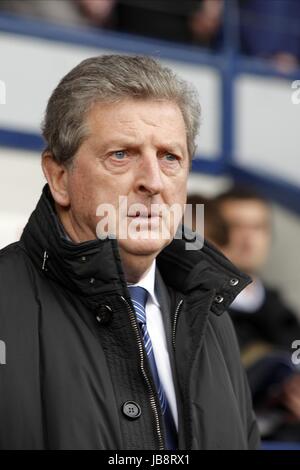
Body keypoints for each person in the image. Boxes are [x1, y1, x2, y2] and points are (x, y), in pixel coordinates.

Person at [0, 55, 259, 450]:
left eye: (170, 157)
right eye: (121, 154)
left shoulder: (210, 313)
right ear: (59, 177)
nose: (153, 182)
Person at [216, 187, 300, 441]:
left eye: (258, 227)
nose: (247, 239)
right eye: (235, 226)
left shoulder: (286, 314)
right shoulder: (197, 314)